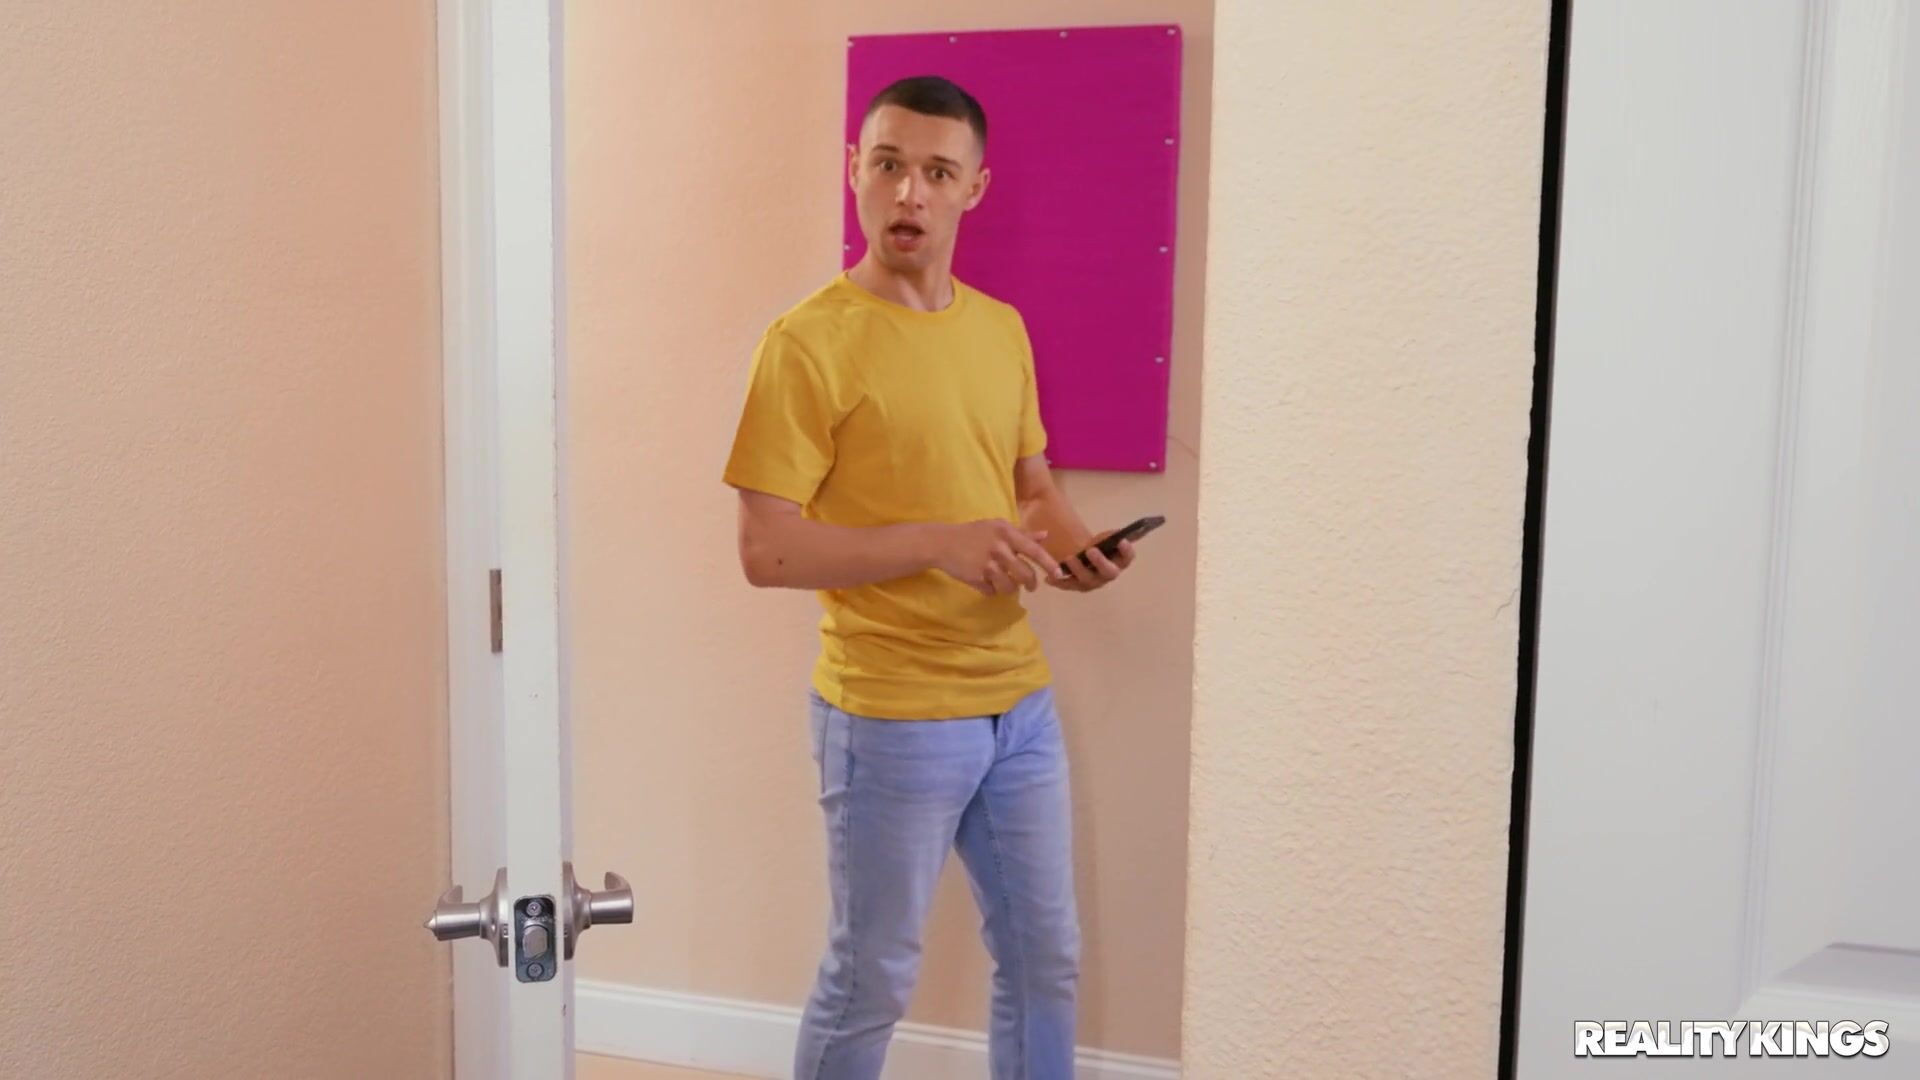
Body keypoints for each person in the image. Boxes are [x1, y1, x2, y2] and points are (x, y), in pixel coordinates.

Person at [721, 74, 1137, 1080]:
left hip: (1016, 706)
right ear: (854, 172)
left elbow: (1032, 489)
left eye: (938, 173)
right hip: (889, 714)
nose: (909, 192)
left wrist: (1075, 555)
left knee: (1046, 961)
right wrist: (937, 542)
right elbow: (766, 549)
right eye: (889, 165)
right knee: (872, 978)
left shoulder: (1001, 329)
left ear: (974, 188)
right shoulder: (806, 343)